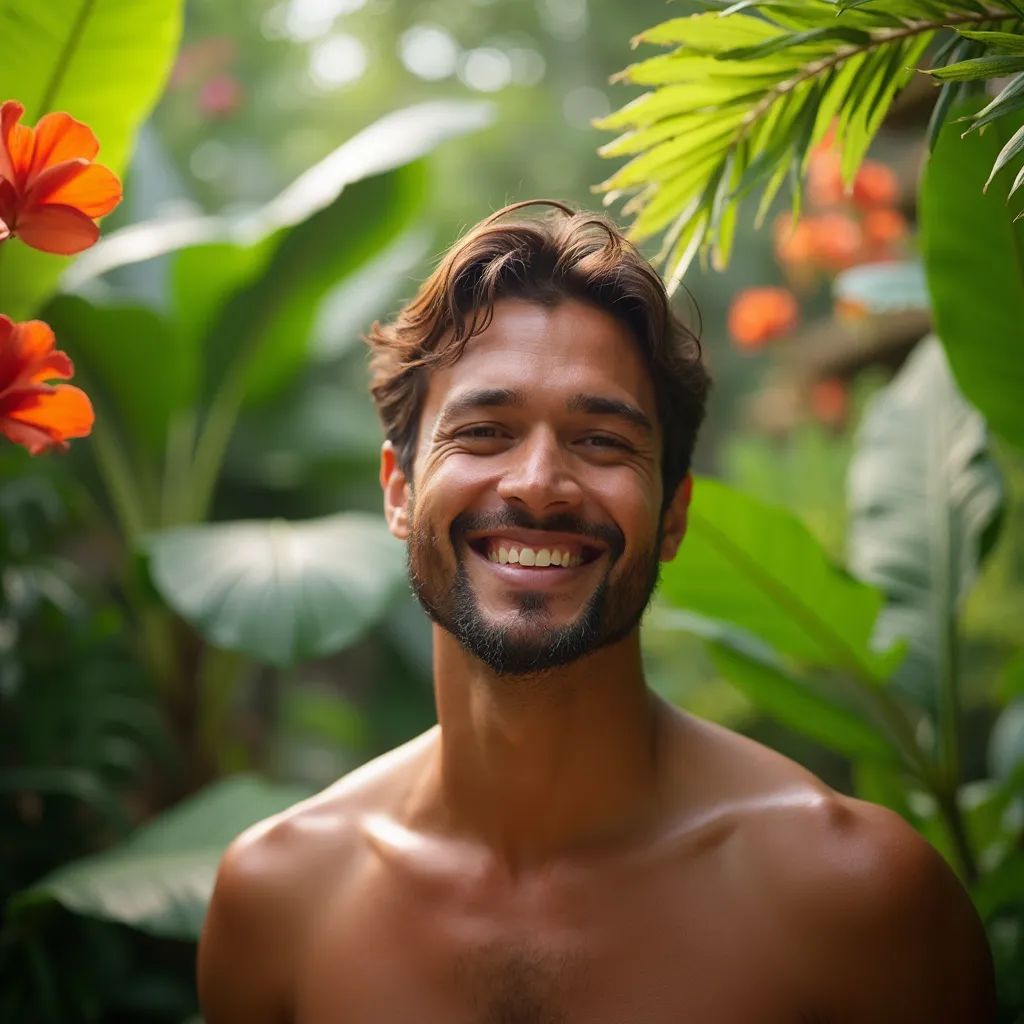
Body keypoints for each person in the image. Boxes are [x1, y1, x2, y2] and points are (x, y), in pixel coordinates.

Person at [198, 200, 995, 1023]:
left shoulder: (854, 901)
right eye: (484, 432)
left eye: (602, 442)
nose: (538, 482)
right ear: (399, 492)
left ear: (675, 513)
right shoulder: (280, 900)